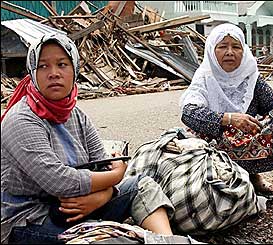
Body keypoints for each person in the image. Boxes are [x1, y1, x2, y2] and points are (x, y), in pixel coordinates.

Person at [1, 33, 175, 244]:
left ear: (74, 70)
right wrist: (115, 178)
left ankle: (168, 241)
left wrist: (102, 196)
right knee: (109, 240)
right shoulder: (21, 120)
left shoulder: (76, 115)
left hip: (81, 204)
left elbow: (100, 163)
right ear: (32, 74)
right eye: (43, 66)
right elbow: (59, 181)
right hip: (32, 218)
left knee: (142, 185)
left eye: (62, 64)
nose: (54, 73)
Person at [179, 23, 273, 194]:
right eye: (222, 46)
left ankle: (252, 175)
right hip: (213, 148)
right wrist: (228, 119)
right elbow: (188, 112)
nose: (229, 52)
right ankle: (220, 179)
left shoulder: (252, 79)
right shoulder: (204, 79)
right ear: (212, 50)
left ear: (243, 51)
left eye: (236, 46)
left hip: (247, 145)